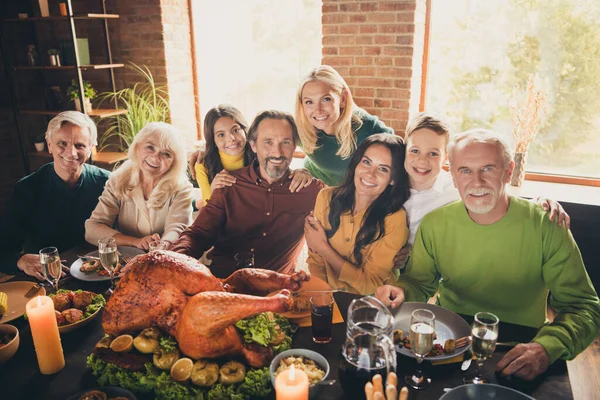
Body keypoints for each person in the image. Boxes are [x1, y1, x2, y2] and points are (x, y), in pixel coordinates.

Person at [375, 128, 600, 381]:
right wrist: (401, 291)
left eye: (488, 168)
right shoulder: (435, 223)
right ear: (454, 176)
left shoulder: (546, 224)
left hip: (523, 347)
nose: (477, 182)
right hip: (448, 341)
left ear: (509, 170)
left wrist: (546, 347)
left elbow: (584, 307)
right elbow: (417, 281)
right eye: (465, 171)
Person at [171, 110, 325, 278]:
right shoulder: (228, 185)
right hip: (223, 284)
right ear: (253, 145)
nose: (277, 152)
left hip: (278, 290)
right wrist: (172, 262)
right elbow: (198, 234)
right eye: (268, 142)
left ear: (294, 146)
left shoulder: (312, 191)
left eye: (285, 142)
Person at [0, 111, 109, 279]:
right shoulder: (26, 189)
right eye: (62, 144)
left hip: (98, 274)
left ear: (91, 148)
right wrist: (21, 260)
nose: (71, 152)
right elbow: (3, 250)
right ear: (49, 145)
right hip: (47, 279)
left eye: (79, 145)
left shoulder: (108, 182)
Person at [305, 134, 410, 295]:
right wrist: (322, 297)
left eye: (383, 169)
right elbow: (316, 261)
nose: (370, 173)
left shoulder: (395, 219)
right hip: (326, 296)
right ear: (356, 164)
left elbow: (372, 285)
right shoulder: (326, 197)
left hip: (371, 304)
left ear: (393, 179)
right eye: (366, 162)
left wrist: (323, 247)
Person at [85, 122, 192, 250]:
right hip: (126, 259)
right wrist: (135, 242)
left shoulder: (181, 187)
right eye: (150, 147)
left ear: (174, 162)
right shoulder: (118, 179)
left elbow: (177, 229)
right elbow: (93, 229)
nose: (155, 157)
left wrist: (159, 250)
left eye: (166, 154)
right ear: (137, 148)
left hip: (167, 257)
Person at [194, 104, 312, 207]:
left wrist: (301, 172)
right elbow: (209, 212)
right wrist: (214, 191)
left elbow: (278, 169)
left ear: (245, 130)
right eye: (221, 135)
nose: (231, 139)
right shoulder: (203, 164)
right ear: (212, 139)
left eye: (236, 130)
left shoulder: (257, 151)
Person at [294, 65, 394, 186]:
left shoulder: (366, 127)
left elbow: (400, 154)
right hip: (316, 191)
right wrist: (302, 170)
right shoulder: (299, 128)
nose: (318, 110)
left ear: (342, 99)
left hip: (353, 196)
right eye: (309, 102)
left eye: (326, 99)